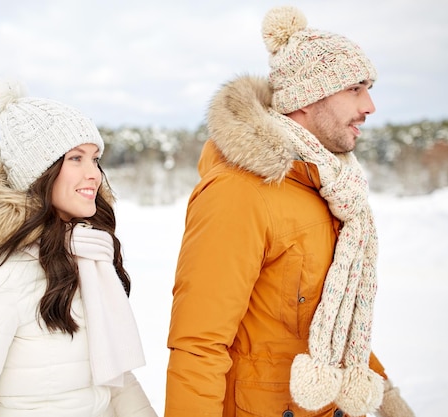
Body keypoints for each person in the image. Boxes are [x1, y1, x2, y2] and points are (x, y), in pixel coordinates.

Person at [165, 6, 414, 417]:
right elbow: (198, 343)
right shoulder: (238, 193)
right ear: (306, 98)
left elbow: (332, 319)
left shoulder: (330, 188)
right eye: (355, 88)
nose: (370, 105)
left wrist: (384, 394)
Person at [0, 78, 158, 417]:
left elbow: (115, 379)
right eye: (76, 158)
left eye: (95, 159)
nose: (94, 174)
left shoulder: (87, 257)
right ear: (40, 173)